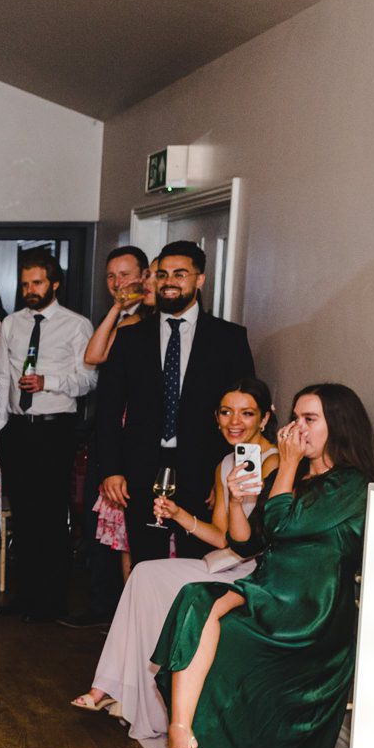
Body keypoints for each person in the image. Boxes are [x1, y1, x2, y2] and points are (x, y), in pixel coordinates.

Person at [153, 385, 374, 748]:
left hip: (308, 613)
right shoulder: (288, 475)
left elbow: (283, 524)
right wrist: (237, 503)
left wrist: (287, 464)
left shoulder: (350, 484)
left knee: (226, 638)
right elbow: (247, 543)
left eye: (310, 419)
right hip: (267, 592)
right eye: (296, 418)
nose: (296, 429)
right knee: (193, 597)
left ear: (338, 426)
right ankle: (181, 736)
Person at [75, 381, 277, 748]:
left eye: (246, 413)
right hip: (230, 560)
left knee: (163, 583)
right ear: (216, 418)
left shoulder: (276, 464)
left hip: (259, 571)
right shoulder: (227, 463)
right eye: (226, 412)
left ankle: (128, 693)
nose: (235, 421)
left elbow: (254, 544)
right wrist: (180, 514)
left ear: (264, 418)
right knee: (145, 572)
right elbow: (223, 537)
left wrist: (238, 500)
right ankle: (113, 687)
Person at [92, 241, 257, 566]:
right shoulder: (130, 338)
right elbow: (108, 409)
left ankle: (192, 619)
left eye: (180, 274)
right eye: (162, 274)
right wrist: (110, 470)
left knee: (200, 562)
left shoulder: (229, 338)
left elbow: (247, 414)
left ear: (200, 279)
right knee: (145, 563)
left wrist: (228, 475)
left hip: (205, 469)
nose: (169, 281)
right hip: (140, 468)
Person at [0, 250, 94, 622]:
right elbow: (3, 379)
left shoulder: (76, 325)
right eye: (25, 284)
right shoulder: (12, 323)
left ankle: (52, 601)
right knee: (23, 516)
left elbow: (88, 380)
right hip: (19, 430)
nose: (30, 290)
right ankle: (24, 597)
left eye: (37, 283)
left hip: (55, 429)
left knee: (52, 517)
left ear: (54, 283)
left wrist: (47, 382)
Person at [82, 246, 155, 598]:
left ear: (144, 276)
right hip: (114, 428)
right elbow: (93, 354)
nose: (117, 283)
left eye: (125, 275)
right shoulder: (122, 317)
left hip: (139, 432)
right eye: (111, 276)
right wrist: (116, 308)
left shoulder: (149, 320)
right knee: (121, 532)